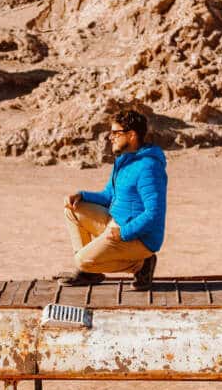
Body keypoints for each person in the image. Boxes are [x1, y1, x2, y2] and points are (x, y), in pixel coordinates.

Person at [60, 109, 167, 290]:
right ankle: (89, 273)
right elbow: (109, 195)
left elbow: (153, 213)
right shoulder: (124, 160)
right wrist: (82, 196)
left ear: (132, 135)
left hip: (138, 238)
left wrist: (123, 233)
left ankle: (141, 265)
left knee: (81, 261)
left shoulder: (149, 168)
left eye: (116, 133)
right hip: (115, 222)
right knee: (72, 209)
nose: (111, 137)